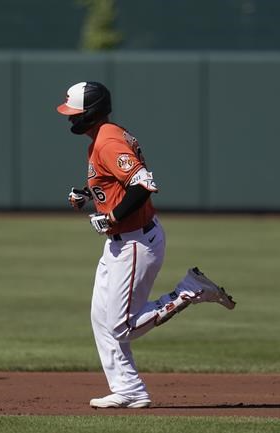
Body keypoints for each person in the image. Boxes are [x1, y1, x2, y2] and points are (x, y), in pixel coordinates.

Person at [56, 81, 236, 409]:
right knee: (100, 317)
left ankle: (189, 290)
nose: (71, 120)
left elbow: (144, 183)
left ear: (92, 113)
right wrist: (88, 194)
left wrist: (112, 217)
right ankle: (129, 389)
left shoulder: (107, 140)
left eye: (76, 113)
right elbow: (111, 180)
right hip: (120, 244)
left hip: (136, 242)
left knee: (121, 326)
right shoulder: (103, 136)